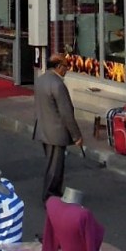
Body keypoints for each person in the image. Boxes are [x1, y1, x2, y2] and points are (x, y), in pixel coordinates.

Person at [33, 53, 83, 202]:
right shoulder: (58, 85)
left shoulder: (41, 80)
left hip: (43, 127)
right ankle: (50, 196)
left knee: (52, 164)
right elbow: (67, 113)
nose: (66, 70)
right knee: (55, 167)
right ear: (59, 66)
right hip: (56, 132)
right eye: (65, 67)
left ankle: (53, 193)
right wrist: (77, 136)